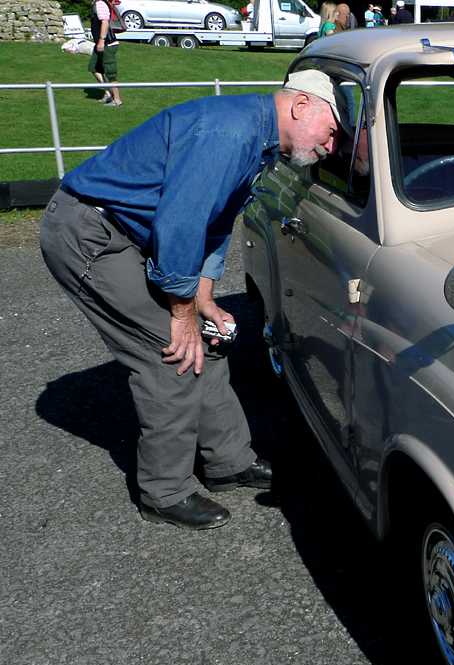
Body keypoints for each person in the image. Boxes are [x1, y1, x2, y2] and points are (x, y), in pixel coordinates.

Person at [39, 71, 344, 530]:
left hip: (126, 233)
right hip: (89, 234)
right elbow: (181, 224)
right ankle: (164, 491)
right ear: (301, 106)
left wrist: (203, 301)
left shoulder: (258, 142)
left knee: (209, 339)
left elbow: (215, 223)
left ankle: (229, 463)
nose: (331, 146)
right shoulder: (229, 134)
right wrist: (180, 313)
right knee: (170, 352)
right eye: (332, 131)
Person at [89, 0, 123, 107]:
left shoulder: (100, 3)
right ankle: (108, 93)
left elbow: (105, 22)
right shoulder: (97, 3)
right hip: (101, 43)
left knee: (110, 73)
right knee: (93, 68)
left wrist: (101, 40)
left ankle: (117, 100)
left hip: (107, 44)